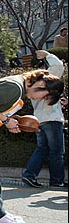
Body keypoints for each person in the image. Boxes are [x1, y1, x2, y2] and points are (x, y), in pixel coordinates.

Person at [0, 68, 64, 223]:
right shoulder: (15, 87)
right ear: (41, 84)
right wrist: (7, 120)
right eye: (44, 96)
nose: (39, 99)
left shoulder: (17, 86)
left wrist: (7, 121)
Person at [22, 50, 68, 189]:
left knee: (42, 148)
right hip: (52, 120)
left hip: (39, 120)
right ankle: (56, 181)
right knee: (57, 151)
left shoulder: (31, 86)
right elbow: (59, 66)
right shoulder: (46, 82)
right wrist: (47, 54)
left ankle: (29, 174)